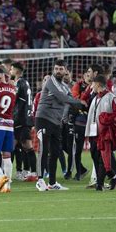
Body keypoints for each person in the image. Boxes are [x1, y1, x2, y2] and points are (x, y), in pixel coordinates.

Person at [35, 59, 85, 191]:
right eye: (56, 68)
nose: (58, 71)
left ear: (66, 71)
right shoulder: (51, 81)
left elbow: (70, 100)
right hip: (44, 118)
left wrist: (80, 104)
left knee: (55, 152)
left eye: (61, 69)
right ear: (53, 70)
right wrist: (80, 102)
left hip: (56, 122)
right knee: (44, 150)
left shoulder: (64, 86)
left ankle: (52, 183)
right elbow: (63, 98)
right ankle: (40, 180)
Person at [84, 76, 116, 191]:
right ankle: (114, 177)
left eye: (93, 84)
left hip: (105, 133)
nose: (91, 86)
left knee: (102, 159)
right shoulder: (95, 98)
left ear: (98, 85)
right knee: (95, 156)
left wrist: (108, 120)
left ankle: (99, 184)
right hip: (93, 133)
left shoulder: (111, 97)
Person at [10, 62, 36, 181]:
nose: (10, 71)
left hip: (20, 118)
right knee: (18, 146)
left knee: (21, 146)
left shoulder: (20, 83)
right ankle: (28, 172)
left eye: (11, 69)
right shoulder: (25, 82)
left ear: (17, 71)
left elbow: (12, 98)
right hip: (25, 118)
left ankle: (32, 173)